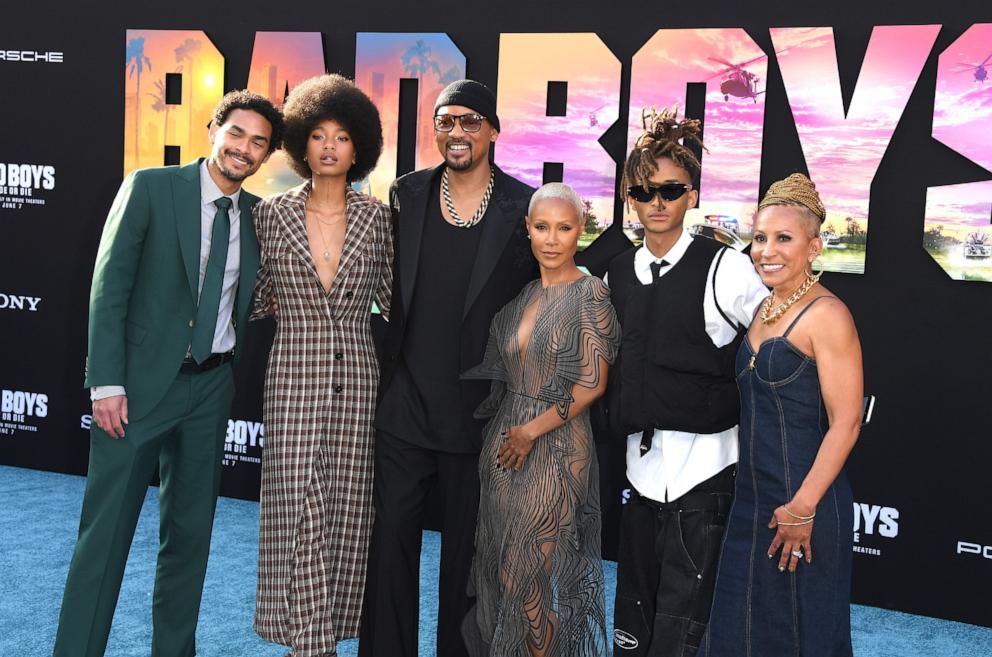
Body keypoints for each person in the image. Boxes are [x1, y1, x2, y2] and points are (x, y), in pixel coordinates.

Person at [55, 90, 283, 657]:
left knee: (190, 541)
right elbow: (109, 289)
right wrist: (105, 382)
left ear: (266, 155)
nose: (244, 148)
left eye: (258, 142)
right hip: (135, 391)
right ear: (214, 130)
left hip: (210, 390)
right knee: (103, 539)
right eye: (236, 133)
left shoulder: (259, 217)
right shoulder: (151, 187)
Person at [359, 79, 537, 657]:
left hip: (481, 415)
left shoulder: (522, 206)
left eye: (468, 122)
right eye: (445, 121)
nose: (455, 132)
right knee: (389, 550)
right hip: (406, 406)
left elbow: (545, 301)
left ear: (491, 131)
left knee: (468, 563)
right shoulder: (406, 194)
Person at [606, 107, 768, 657]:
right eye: (644, 190)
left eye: (670, 191)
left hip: (704, 472)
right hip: (639, 472)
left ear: (691, 195)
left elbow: (784, 340)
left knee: (684, 632)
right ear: (629, 197)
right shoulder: (616, 273)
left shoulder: (727, 268)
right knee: (631, 623)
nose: (657, 202)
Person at [249, 74, 391, 657]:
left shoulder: (379, 219)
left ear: (359, 147)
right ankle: (310, 644)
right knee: (295, 507)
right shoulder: (271, 216)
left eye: (342, 136)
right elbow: (254, 295)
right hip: (292, 377)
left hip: (358, 378)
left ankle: (324, 634)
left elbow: (393, 296)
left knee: (346, 509)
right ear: (300, 146)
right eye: (317, 135)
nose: (329, 146)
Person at [702, 173, 862, 657]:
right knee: (737, 634)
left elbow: (847, 422)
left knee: (797, 638)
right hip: (752, 502)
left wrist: (802, 506)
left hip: (803, 504)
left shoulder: (827, 316)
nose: (766, 250)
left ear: (813, 247)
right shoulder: (763, 307)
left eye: (783, 238)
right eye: (759, 237)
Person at [461, 183, 620, 656]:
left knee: (522, 569)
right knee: (504, 574)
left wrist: (531, 430)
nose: (552, 239)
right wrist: (513, 432)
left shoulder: (591, 294)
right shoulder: (525, 295)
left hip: (558, 446)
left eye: (565, 228)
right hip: (508, 446)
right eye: (543, 227)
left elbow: (592, 384)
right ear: (528, 229)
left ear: (579, 231)